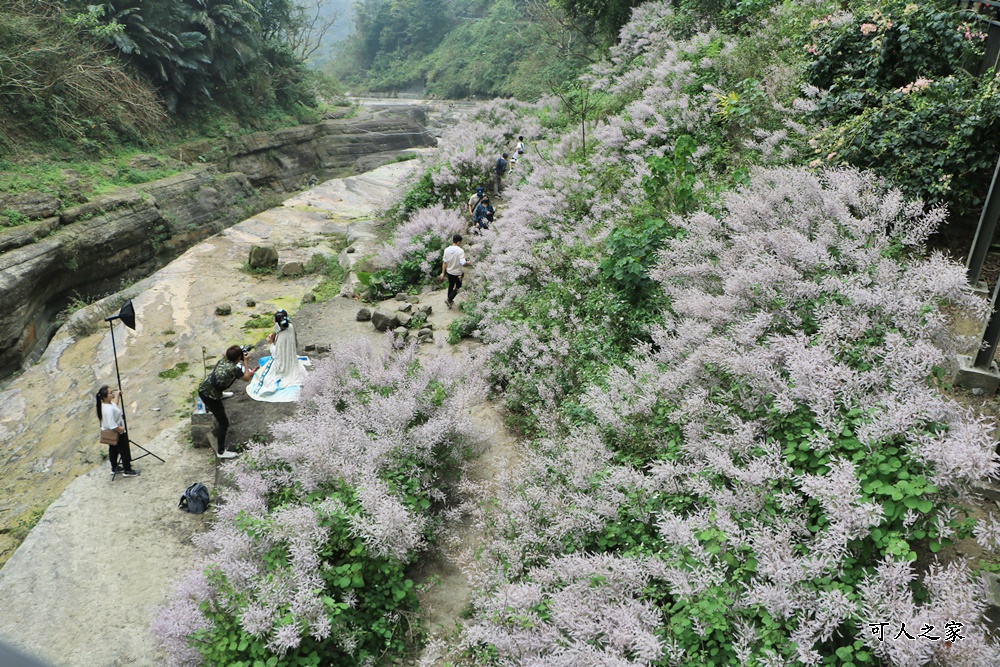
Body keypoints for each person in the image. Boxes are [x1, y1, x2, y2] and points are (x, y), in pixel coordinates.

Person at [198, 345, 257, 459]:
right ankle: (221, 452)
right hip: (210, 396)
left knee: (218, 385)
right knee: (224, 423)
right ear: (238, 357)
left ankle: (221, 394)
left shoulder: (224, 360)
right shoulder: (233, 369)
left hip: (204, 387)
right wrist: (246, 361)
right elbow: (246, 378)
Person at [246, 310, 309, 402]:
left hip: (282, 363)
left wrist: (271, 343)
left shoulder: (282, 338)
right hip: (291, 357)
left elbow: (277, 355)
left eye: (274, 319)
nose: (272, 320)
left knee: (266, 376)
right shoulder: (290, 327)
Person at [96, 385, 139, 477]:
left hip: (108, 433)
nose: (113, 394)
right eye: (111, 393)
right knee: (124, 451)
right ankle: (127, 470)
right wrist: (121, 429)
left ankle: (114, 467)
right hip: (117, 433)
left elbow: (114, 406)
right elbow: (112, 425)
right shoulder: (109, 409)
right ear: (105, 396)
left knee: (113, 450)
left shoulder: (104, 405)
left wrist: (118, 395)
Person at [439, 234, 472, 309]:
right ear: (458, 242)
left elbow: (444, 262)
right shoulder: (460, 251)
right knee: (459, 286)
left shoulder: (446, 250)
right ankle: (449, 299)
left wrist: (442, 273)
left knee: (451, 285)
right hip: (458, 273)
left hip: (449, 272)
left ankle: (449, 301)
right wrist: (468, 263)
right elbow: (463, 263)